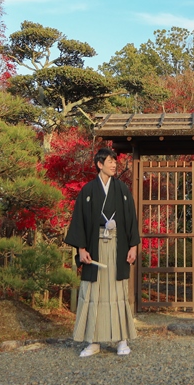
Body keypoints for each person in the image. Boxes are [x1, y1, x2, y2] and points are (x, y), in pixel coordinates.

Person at [64, 146, 140, 357]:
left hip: (118, 247)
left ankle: (122, 340)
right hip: (95, 248)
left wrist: (133, 246)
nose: (114, 164)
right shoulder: (88, 191)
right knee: (93, 293)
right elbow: (79, 221)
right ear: (99, 164)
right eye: (110, 161)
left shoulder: (123, 190)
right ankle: (93, 341)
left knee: (118, 293)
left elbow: (131, 220)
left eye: (115, 161)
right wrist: (81, 249)